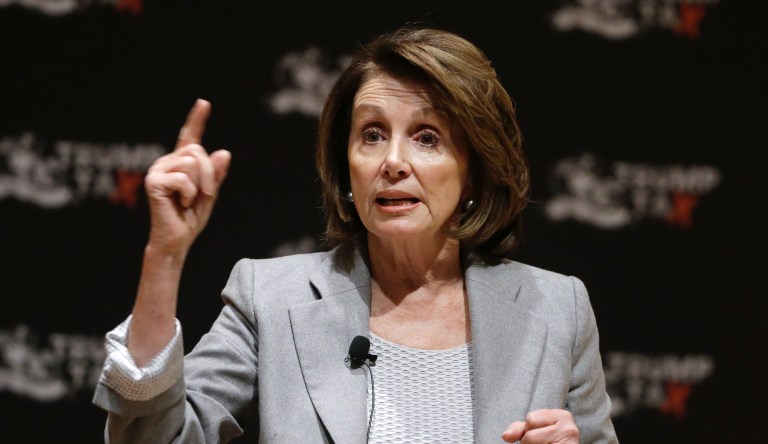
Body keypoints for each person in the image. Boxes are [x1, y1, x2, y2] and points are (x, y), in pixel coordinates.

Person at [93, 26, 618, 443]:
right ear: (346, 169)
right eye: (372, 135)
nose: (392, 162)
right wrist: (164, 253)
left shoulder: (557, 309)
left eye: (426, 137)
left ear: (474, 170)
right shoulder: (272, 299)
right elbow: (152, 439)